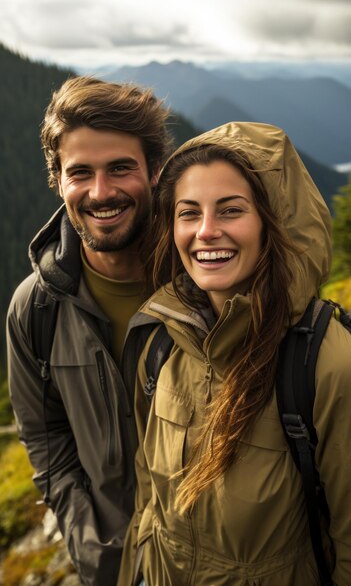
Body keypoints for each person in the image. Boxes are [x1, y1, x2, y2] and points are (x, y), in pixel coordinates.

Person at [118, 122, 351, 586]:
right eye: (189, 213)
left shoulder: (327, 364)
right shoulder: (161, 340)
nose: (206, 231)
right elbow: (150, 500)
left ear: (273, 221)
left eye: (230, 210)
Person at [6, 75, 172, 586]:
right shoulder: (35, 307)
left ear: (156, 172)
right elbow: (47, 442)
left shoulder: (205, 281)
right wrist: (95, 551)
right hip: (116, 566)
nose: (102, 193)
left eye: (120, 168)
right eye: (81, 173)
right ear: (58, 180)